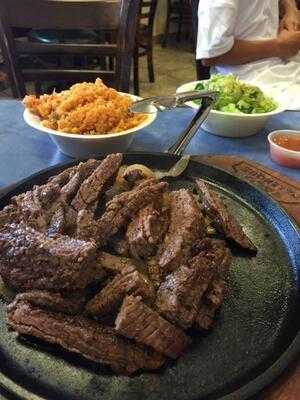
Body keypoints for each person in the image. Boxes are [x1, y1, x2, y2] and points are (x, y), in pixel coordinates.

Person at [196, 0, 300, 110]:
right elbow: (212, 56)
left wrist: (291, 10)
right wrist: (278, 47)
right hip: (248, 81)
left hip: (283, 67)